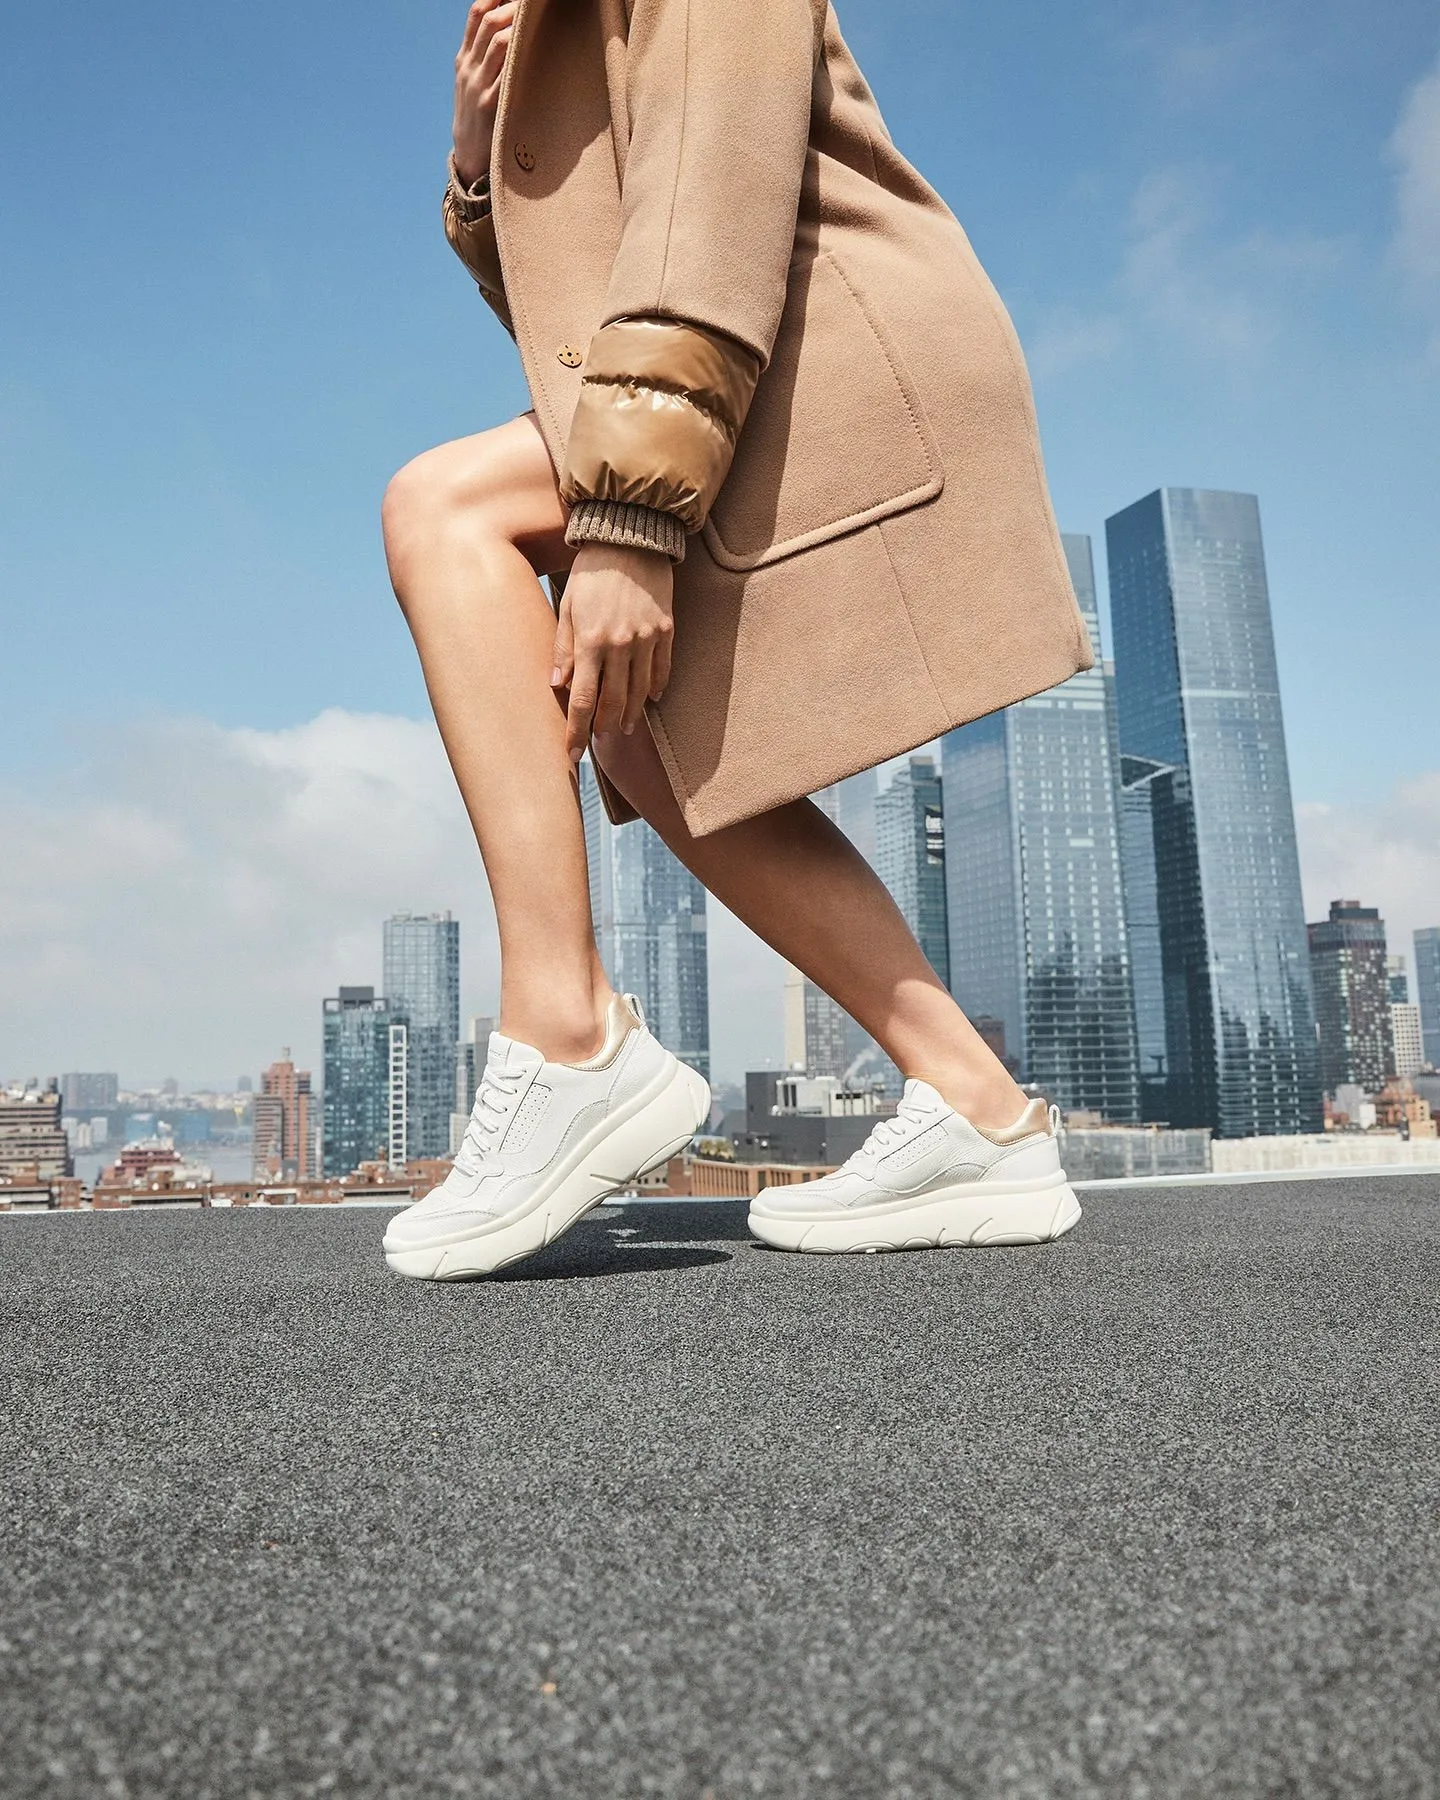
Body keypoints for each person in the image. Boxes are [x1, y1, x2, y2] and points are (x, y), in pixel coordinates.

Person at [380, 0, 1089, 1280]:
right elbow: (572, 325)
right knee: (637, 732)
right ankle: (978, 1108)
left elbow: (707, 207)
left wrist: (625, 527)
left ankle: (568, 1035)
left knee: (445, 509)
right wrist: (479, 178)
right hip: (748, 362)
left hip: (824, 353)